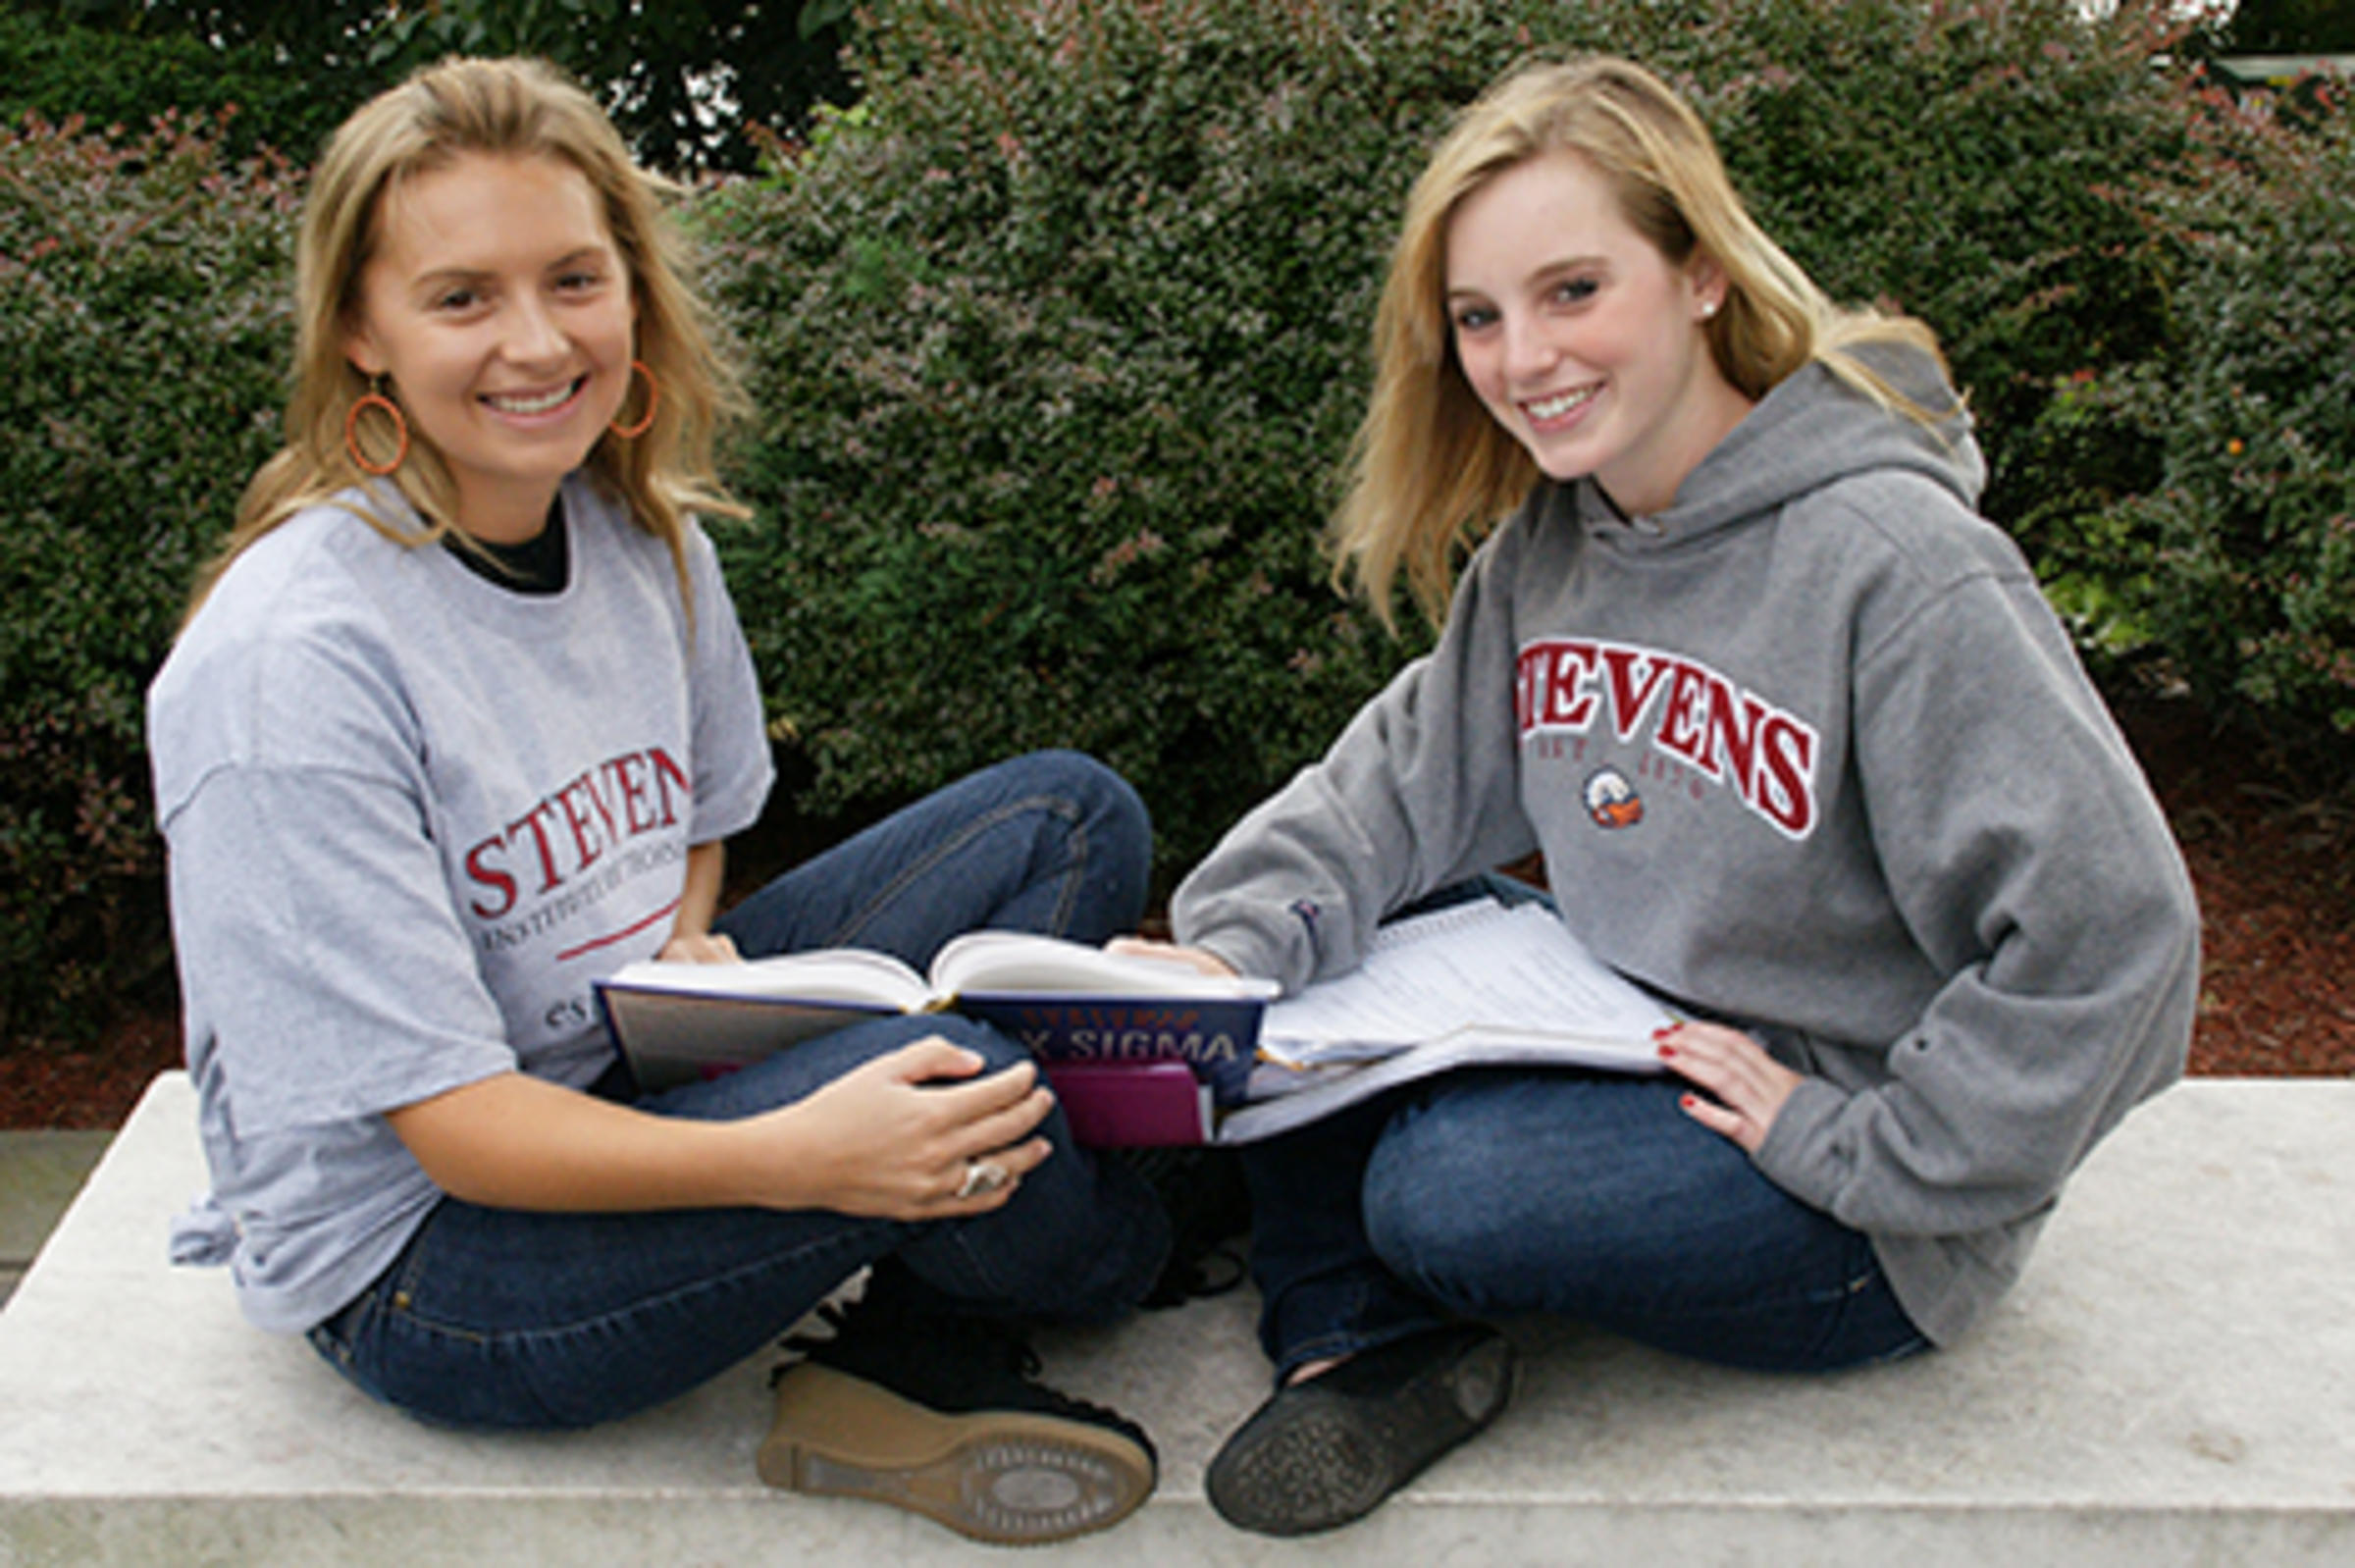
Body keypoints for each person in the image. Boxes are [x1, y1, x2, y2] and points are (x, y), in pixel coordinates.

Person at [1125, 54, 2201, 1537]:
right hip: (1640, 1043)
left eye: (1575, 291)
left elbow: (2117, 936)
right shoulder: (1553, 548)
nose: (1524, 359)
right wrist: (1231, 957)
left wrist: (1865, 1146)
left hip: (1852, 1201)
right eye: (1480, 316)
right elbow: (1393, 792)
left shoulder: (1895, 564)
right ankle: (1358, 1342)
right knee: (1339, 940)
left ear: (1699, 273)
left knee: (1441, 1187)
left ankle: (1338, 1262)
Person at [147, 57, 1171, 1547]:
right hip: (433, 1261)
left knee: (1074, 817)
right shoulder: (291, 670)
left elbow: (694, 816)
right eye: (461, 298)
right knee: (947, 1075)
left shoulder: (643, 538)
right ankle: (1125, 1240)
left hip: (618, 1061)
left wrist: (685, 955)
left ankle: (957, 1246)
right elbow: (456, 1131)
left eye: (575, 278)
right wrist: (800, 1152)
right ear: (361, 332)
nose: (535, 341)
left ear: (633, 287)